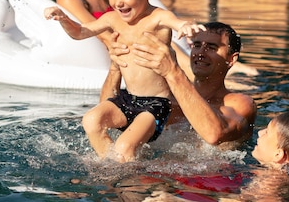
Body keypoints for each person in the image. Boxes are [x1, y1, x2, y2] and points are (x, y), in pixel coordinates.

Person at [44, 0, 206, 162]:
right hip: (128, 98)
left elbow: (176, 22)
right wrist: (63, 18)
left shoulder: (157, 18)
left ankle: (130, 180)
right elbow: (80, 32)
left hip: (156, 105)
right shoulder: (112, 19)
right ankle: (110, 166)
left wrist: (186, 26)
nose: (118, 2)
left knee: (124, 147)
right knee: (91, 121)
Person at [105, 21, 257, 149]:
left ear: (231, 59)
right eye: (197, 45)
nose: (200, 53)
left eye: (211, 47)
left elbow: (213, 135)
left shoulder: (240, 103)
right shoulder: (167, 97)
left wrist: (173, 72)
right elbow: (107, 121)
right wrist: (115, 67)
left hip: (213, 179)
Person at [142, 111, 289, 202]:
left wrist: (175, 199)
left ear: (278, 154)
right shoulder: (282, 174)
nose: (260, 133)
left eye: (267, 132)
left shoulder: (271, 180)